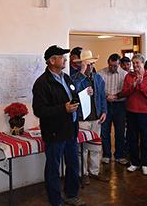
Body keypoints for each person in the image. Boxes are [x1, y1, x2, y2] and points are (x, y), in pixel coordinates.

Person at [33, 45, 86, 206]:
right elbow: (39, 110)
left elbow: (73, 95)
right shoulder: (42, 83)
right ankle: (55, 200)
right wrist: (63, 108)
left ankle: (71, 194)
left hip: (71, 129)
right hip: (55, 133)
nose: (65, 59)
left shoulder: (67, 78)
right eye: (62, 57)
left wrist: (83, 96)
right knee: (53, 168)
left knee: (73, 164)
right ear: (52, 60)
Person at [72, 50, 108, 186]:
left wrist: (104, 111)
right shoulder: (75, 78)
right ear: (81, 64)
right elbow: (73, 91)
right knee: (82, 149)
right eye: (87, 64)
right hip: (82, 119)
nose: (90, 67)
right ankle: (83, 173)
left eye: (92, 63)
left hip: (96, 118)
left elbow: (102, 97)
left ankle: (95, 171)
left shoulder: (98, 78)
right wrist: (82, 73)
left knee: (96, 147)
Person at [120, 54, 147, 175]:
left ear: (142, 63)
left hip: (145, 112)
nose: (135, 65)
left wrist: (140, 85)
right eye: (133, 63)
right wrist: (133, 86)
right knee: (132, 138)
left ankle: (145, 163)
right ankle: (134, 162)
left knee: (145, 139)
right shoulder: (128, 76)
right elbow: (124, 93)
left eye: (137, 63)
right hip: (131, 111)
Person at [98, 53, 128, 165]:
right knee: (105, 131)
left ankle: (120, 155)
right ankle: (106, 155)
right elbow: (98, 90)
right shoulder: (101, 73)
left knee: (120, 131)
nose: (112, 68)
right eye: (110, 65)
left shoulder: (125, 74)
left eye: (115, 66)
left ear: (119, 64)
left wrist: (117, 96)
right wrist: (106, 96)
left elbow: (126, 91)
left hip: (120, 105)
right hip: (105, 104)